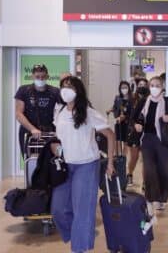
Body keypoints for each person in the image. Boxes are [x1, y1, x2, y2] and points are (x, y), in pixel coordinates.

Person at [51, 76, 115, 253]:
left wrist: (110, 163)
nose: (66, 89)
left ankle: (79, 247)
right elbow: (59, 138)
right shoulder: (60, 112)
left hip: (86, 166)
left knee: (82, 210)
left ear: (78, 90)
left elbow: (110, 135)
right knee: (58, 210)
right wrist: (56, 147)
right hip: (65, 166)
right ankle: (82, 233)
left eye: (70, 86)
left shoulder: (88, 112)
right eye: (63, 86)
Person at [132, 76, 168, 211]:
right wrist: (137, 124)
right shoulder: (144, 102)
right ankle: (150, 198)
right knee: (149, 170)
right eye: (152, 85)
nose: (154, 88)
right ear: (149, 87)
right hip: (147, 139)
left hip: (163, 141)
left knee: (162, 170)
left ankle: (161, 199)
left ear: (162, 87)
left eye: (157, 85)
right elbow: (135, 117)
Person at [15, 64, 61, 159]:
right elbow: (19, 113)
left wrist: (60, 129)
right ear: (32, 76)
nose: (40, 79)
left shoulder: (55, 92)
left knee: (51, 161)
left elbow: (65, 110)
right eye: (37, 77)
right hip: (29, 131)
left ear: (47, 76)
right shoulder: (24, 90)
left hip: (49, 131)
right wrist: (32, 129)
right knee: (30, 160)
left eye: (43, 77)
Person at [107, 81, 136, 186]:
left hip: (127, 125)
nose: (124, 89)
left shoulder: (132, 99)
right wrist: (111, 110)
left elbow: (133, 112)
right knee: (118, 141)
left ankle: (123, 160)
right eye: (122, 87)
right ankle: (118, 159)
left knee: (126, 144)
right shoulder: (118, 98)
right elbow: (115, 107)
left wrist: (125, 117)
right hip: (118, 123)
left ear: (128, 88)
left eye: (125, 87)